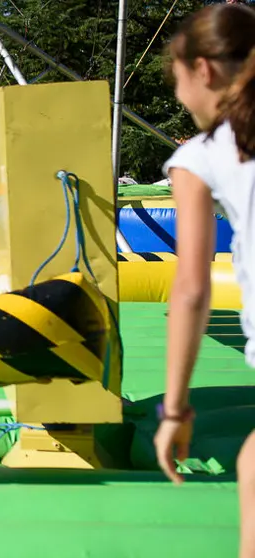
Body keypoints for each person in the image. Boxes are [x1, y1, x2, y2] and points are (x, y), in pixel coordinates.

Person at [152, 4, 255, 556]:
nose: (177, 98)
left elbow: (192, 288)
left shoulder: (204, 155)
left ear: (205, 71)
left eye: (177, 81)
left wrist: (175, 408)